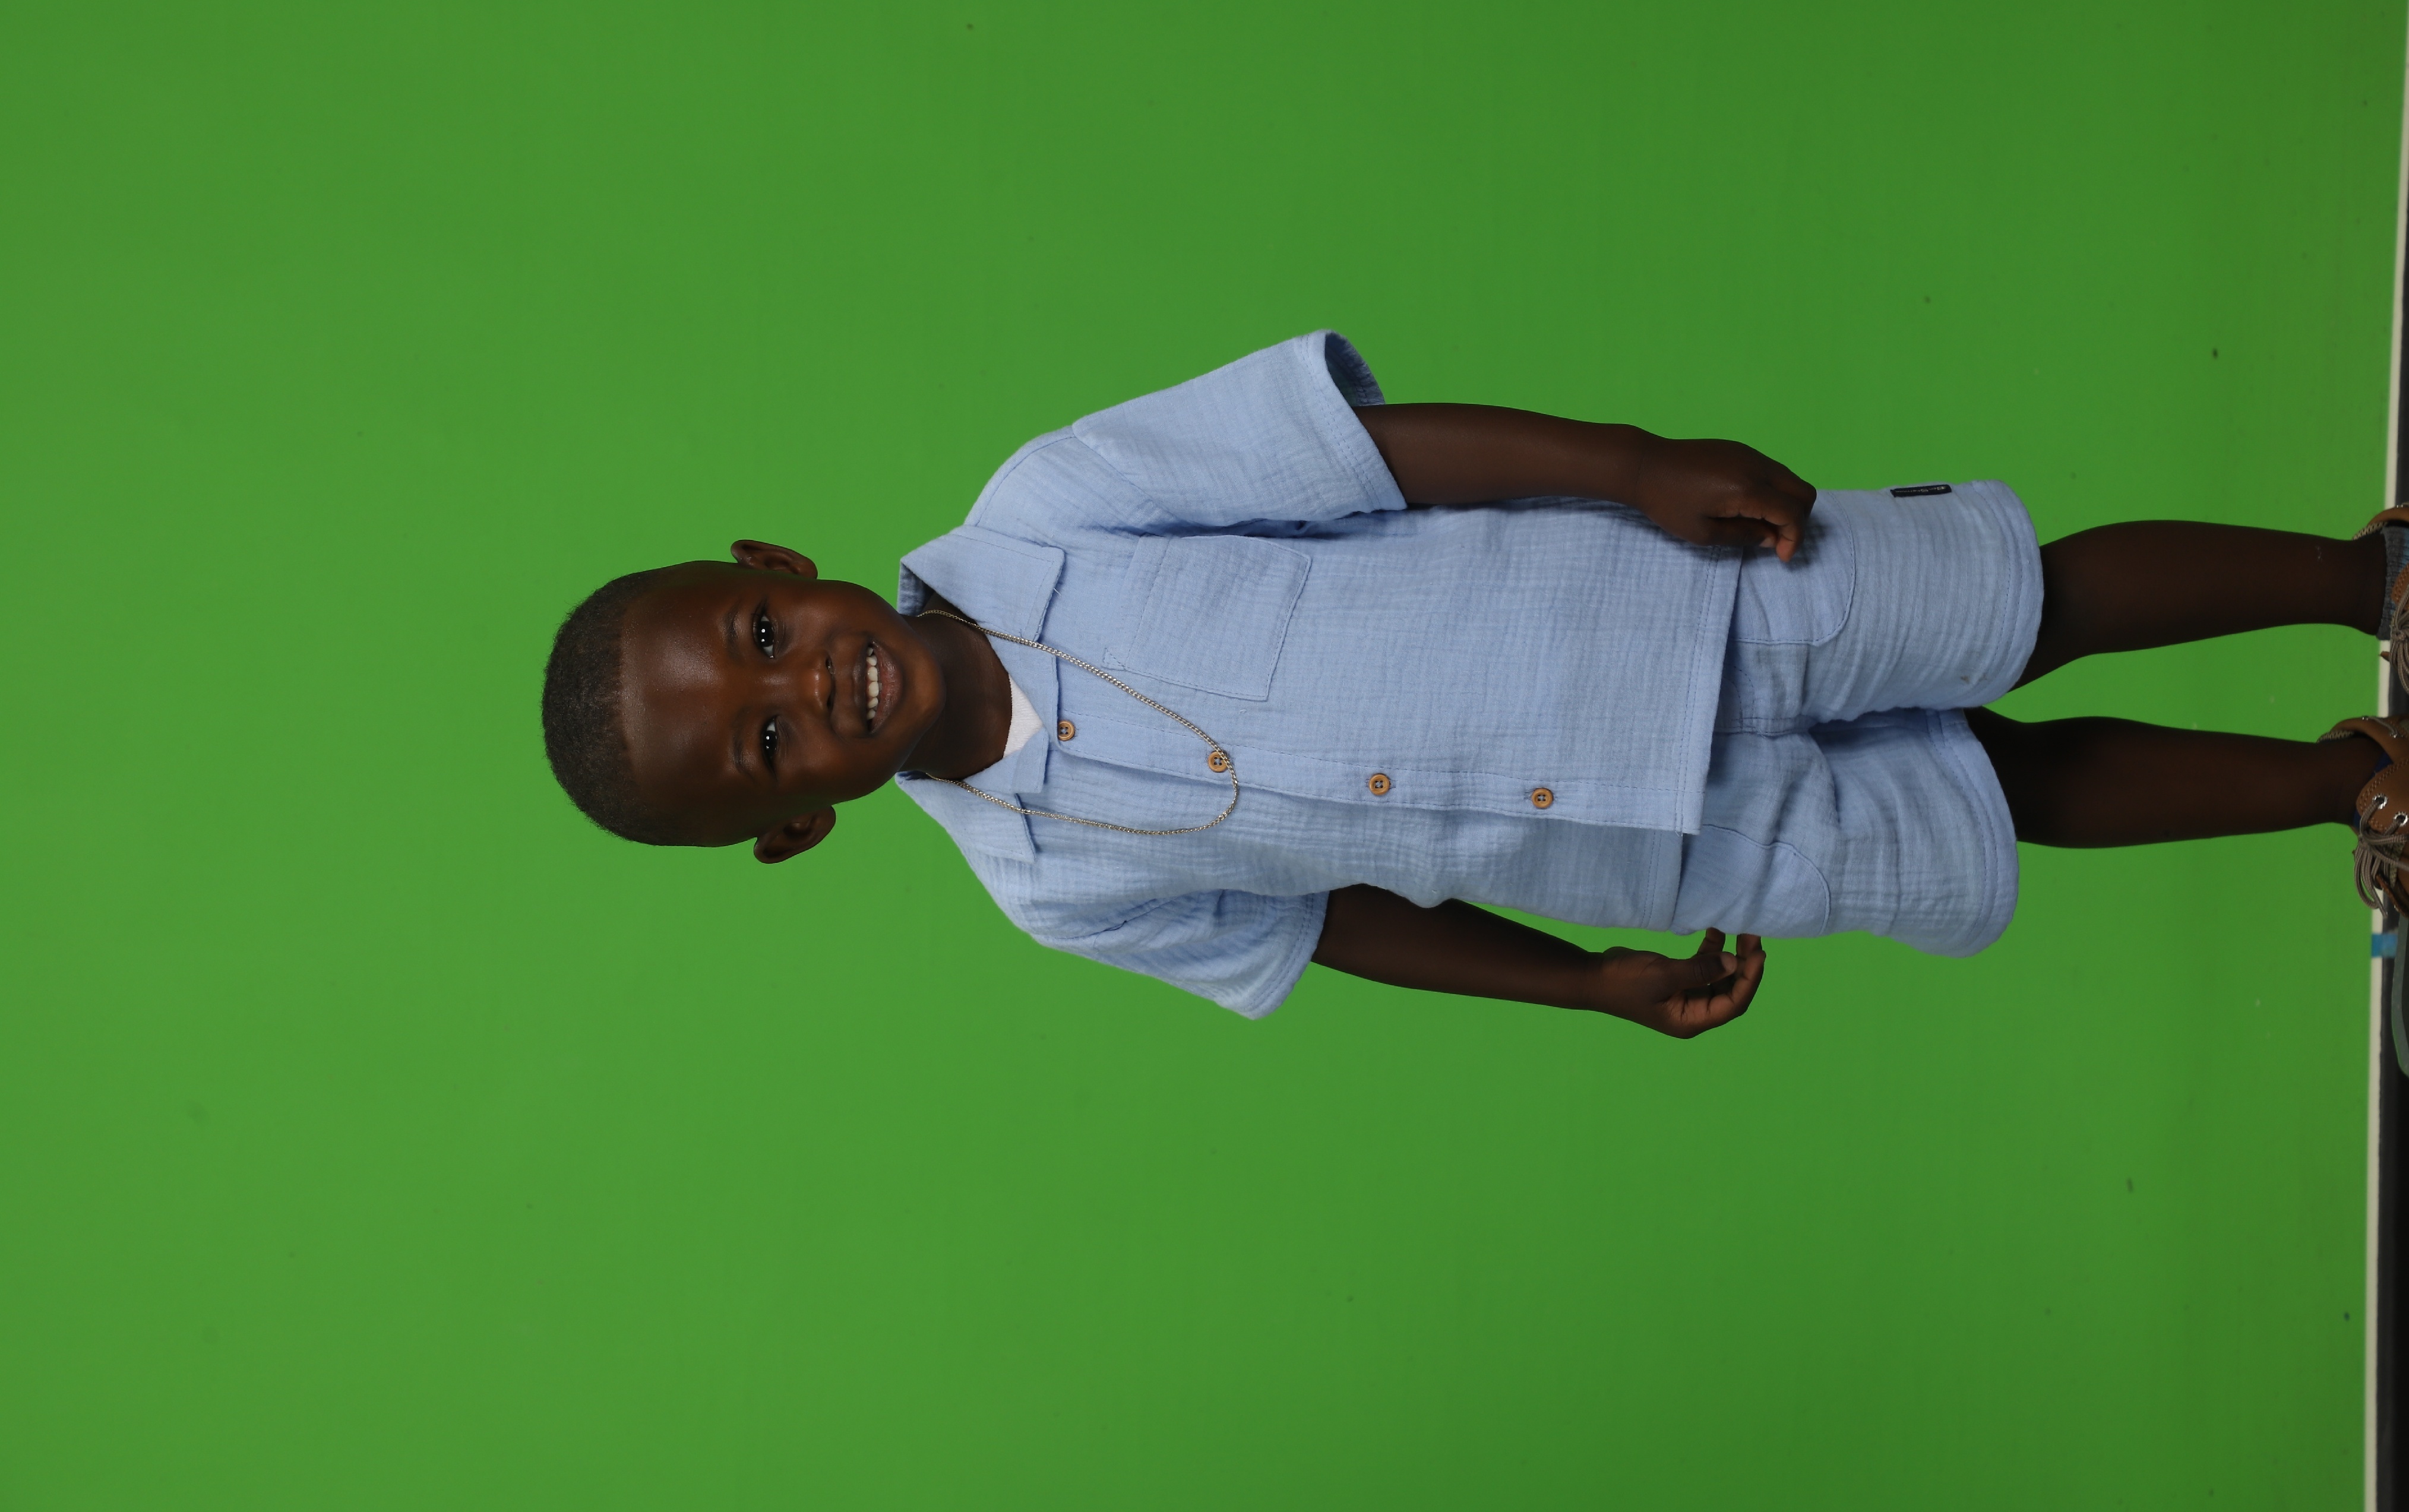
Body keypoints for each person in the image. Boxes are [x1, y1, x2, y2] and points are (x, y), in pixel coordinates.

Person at [539, 332, 2409, 1035]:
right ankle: (2355, 778)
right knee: (2008, 801)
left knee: (2025, 607)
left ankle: (2363, 578)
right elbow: (1331, 924)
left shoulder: (1055, 506)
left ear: (774, 568)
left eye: (765, 641)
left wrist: (1632, 467)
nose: (814, 689)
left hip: (1664, 607)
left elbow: (1358, 459)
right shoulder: (1048, 885)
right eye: (768, 744)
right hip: (1650, 843)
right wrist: (1582, 982)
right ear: (795, 826)